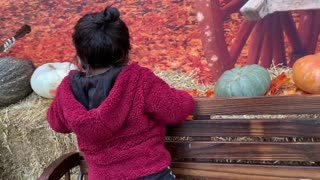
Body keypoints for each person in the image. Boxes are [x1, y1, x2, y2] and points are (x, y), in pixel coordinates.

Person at [47, 6, 195, 180]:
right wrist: (186, 97)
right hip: (151, 174)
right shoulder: (140, 80)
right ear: (127, 52)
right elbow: (177, 109)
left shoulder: (68, 90)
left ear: (79, 58)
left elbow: (56, 123)